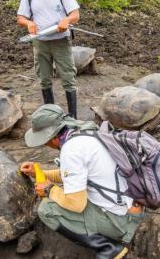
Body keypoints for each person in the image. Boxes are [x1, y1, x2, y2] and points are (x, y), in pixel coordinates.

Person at [20, 104, 144, 259]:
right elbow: (75, 174)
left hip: (122, 221)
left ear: (52, 136)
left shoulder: (71, 151)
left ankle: (109, 248)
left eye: (43, 139)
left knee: (47, 209)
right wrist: (40, 173)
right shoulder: (86, 132)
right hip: (132, 206)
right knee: (65, 194)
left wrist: (49, 190)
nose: (44, 144)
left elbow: (77, 205)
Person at [17, 0, 80, 118]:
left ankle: (73, 117)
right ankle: (51, 117)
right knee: (44, 79)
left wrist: (66, 19)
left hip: (61, 41)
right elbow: (20, 18)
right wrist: (28, 23)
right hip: (40, 43)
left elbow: (75, 14)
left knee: (68, 78)